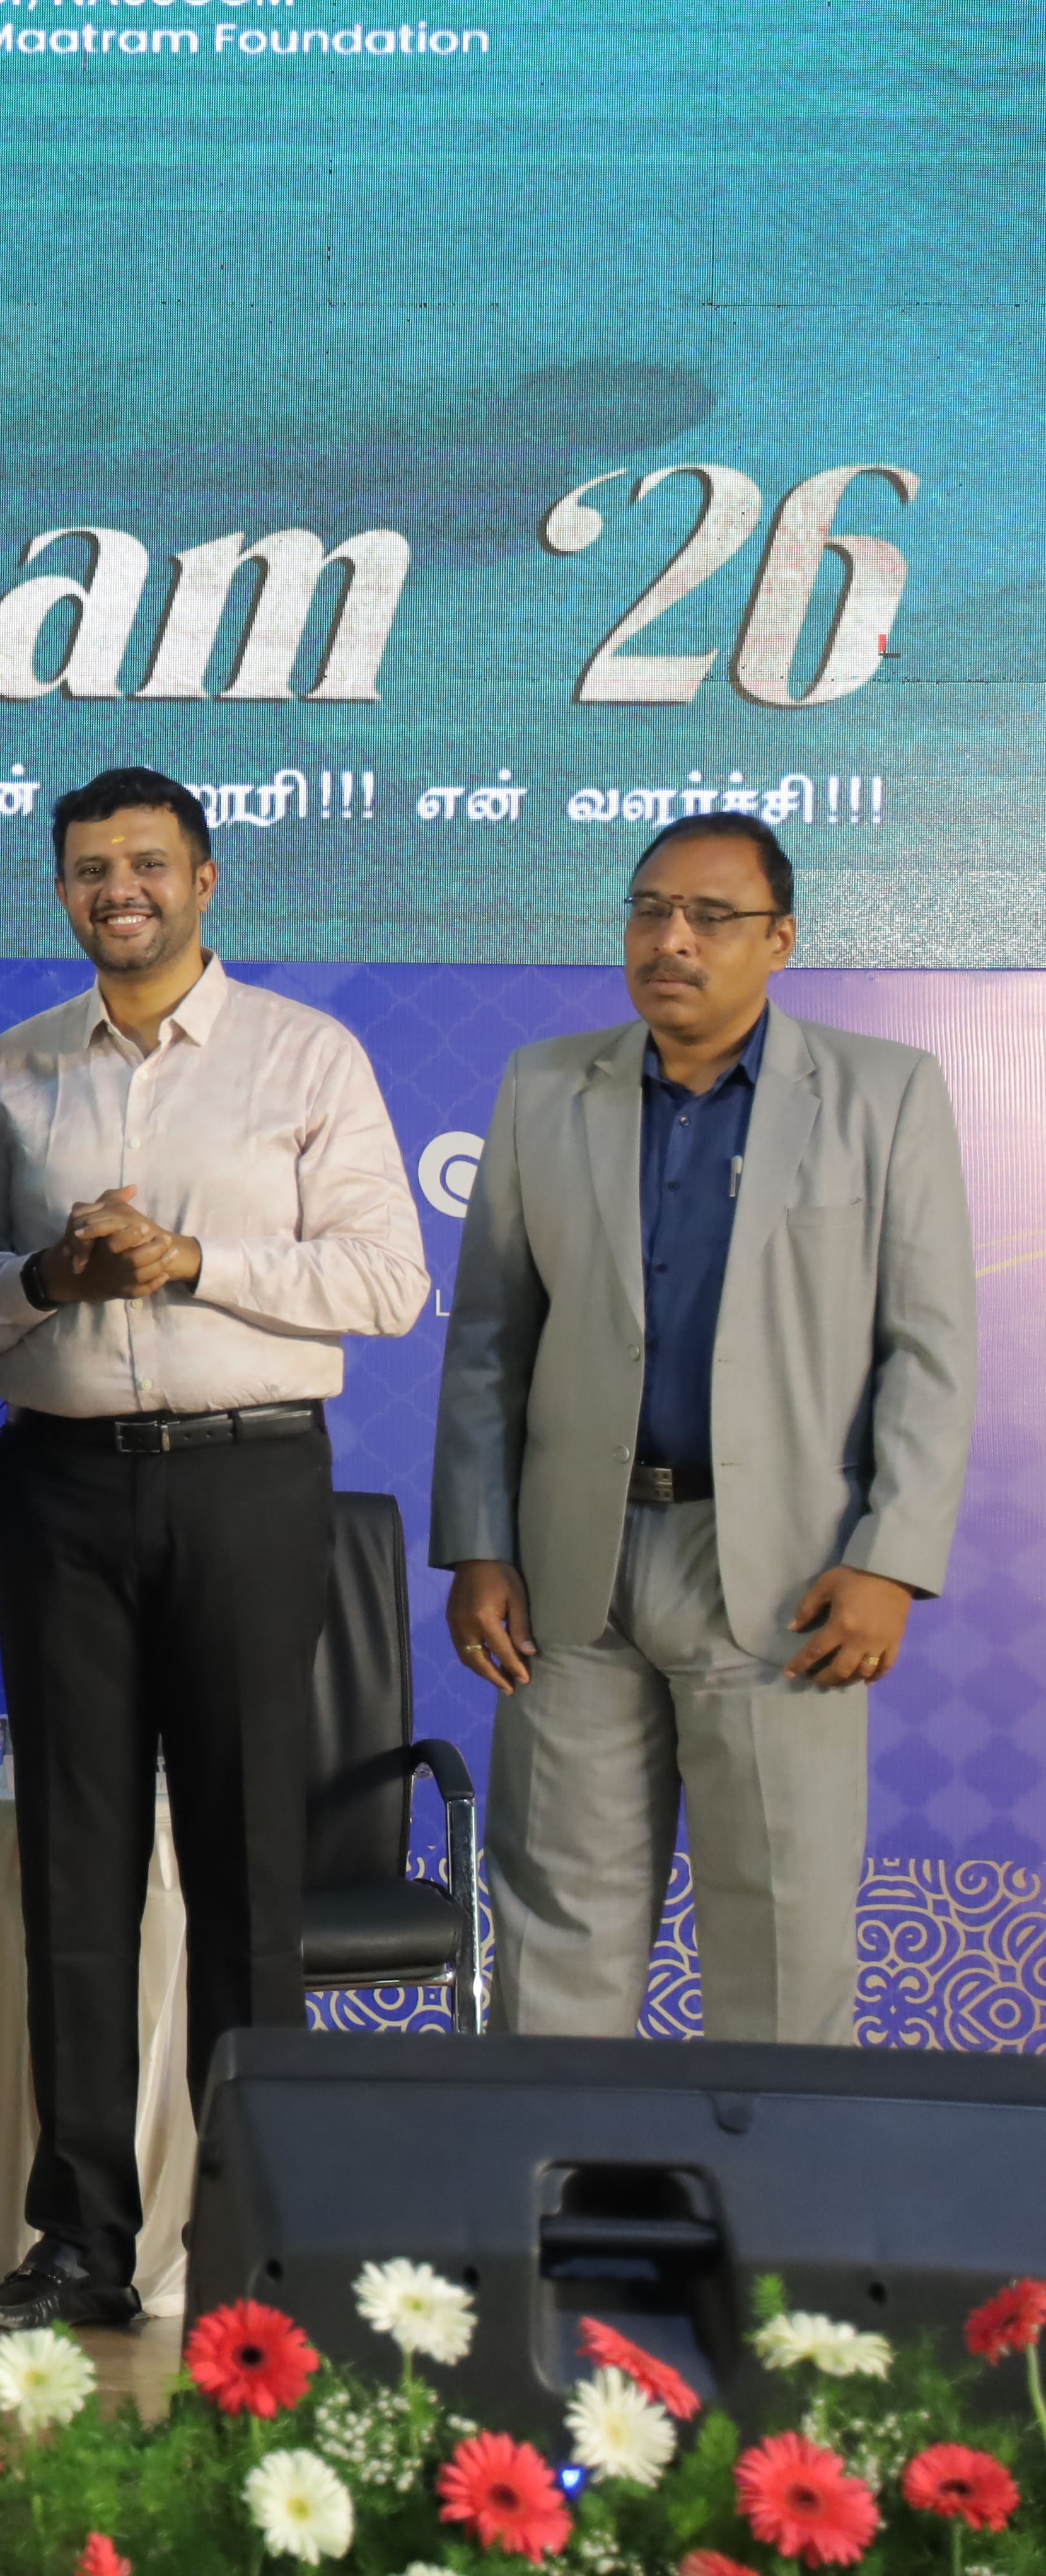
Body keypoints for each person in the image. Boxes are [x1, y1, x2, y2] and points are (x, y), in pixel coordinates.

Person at [0, 766, 429, 2336]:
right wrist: (52, 1273)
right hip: (60, 1489)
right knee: (73, 1868)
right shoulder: (13, 1069)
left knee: (244, 1871)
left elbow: (386, 1281)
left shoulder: (305, 1054)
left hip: (248, 1480)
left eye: (149, 864)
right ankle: (82, 2239)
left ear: (205, 880)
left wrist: (192, 1259)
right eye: (92, 868)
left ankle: (255, 2241)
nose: (121, 891)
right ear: (63, 889)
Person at [434, 815, 972, 2043]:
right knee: (554, 1940)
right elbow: (490, 1340)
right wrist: (479, 1542)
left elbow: (930, 1353)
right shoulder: (543, 1085)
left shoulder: (884, 1094)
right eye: (650, 910)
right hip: (571, 1573)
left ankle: (778, 2186)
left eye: (711, 917)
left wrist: (891, 1560)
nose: (671, 939)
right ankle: (561, 2179)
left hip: (785, 1575)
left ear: (781, 940)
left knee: (782, 1946)